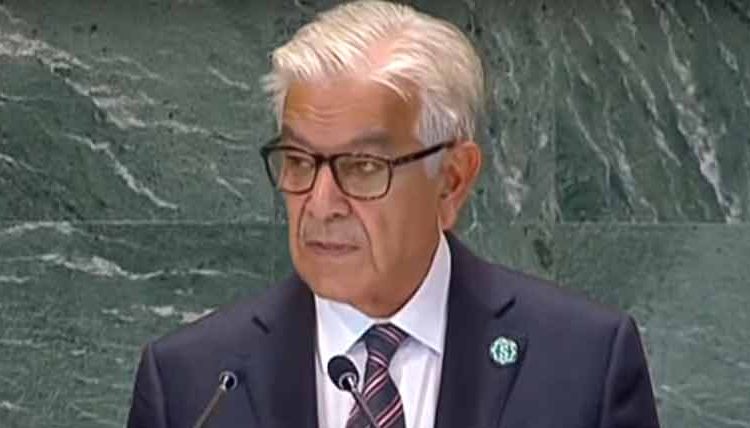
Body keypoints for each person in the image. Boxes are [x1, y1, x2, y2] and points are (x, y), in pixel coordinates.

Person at [126, 1, 660, 427]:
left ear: (451, 180)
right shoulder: (191, 385)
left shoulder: (584, 364)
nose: (321, 204)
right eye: (299, 161)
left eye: (362, 167)